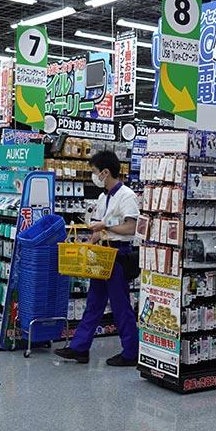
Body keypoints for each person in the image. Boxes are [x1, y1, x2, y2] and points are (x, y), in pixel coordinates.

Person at [55, 150, 140, 367]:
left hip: (118, 255)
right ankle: (79, 347)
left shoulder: (127, 196)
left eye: (94, 172)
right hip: (101, 254)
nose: (93, 176)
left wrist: (106, 226)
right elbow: (97, 227)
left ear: (105, 172)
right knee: (94, 302)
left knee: (121, 306)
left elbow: (131, 227)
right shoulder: (103, 197)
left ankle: (131, 352)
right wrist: (87, 246)